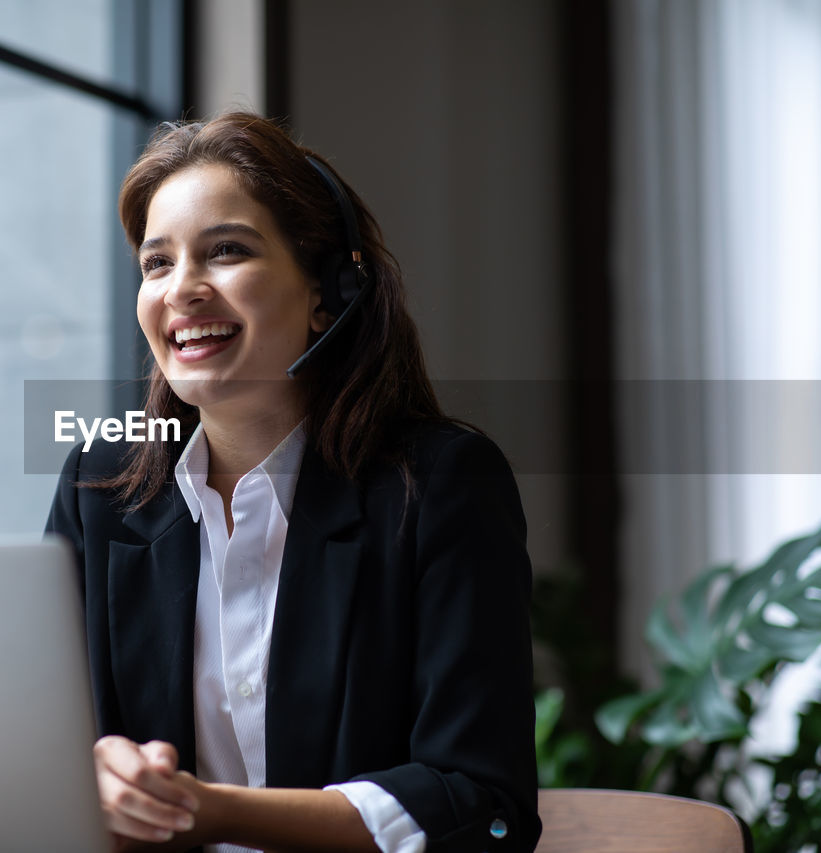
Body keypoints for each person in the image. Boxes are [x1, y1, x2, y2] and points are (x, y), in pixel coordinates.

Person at [46, 112, 539, 853]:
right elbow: (43, 742)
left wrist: (210, 811)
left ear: (325, 293)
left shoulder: (438, 485)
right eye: (157, 263)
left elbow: (484, 804)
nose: (182, 289)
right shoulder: (102, 485)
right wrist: (94, 776)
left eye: (227, 251)